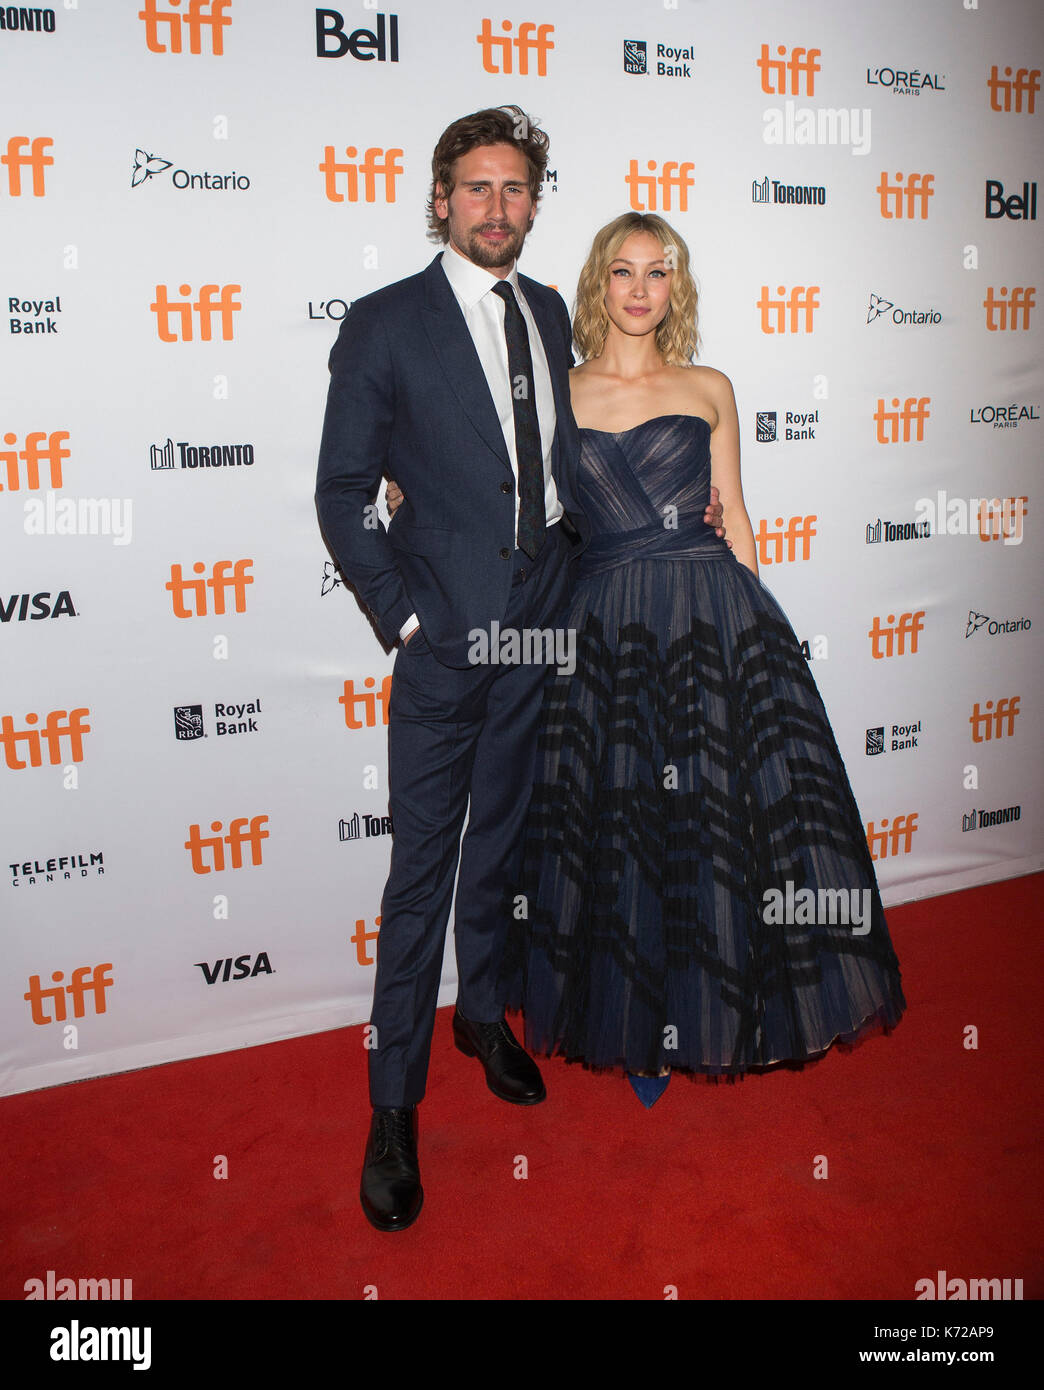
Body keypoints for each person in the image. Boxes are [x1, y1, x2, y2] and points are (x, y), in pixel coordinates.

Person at [316, 110, 729, 1229]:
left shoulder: (551, 312)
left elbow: (572, 481)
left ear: (535, 204)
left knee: (505, 841)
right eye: (477, 188)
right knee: (420, 877)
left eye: (517, 190)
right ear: (440, 199)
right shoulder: (384, 325)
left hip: (546, 631)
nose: (498, 208)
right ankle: (393, 1106)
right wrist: (404, 619)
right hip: (446, 643)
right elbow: (340, 494)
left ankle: (484, 1014)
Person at [497, 212, 907, 1103]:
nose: (640, 289)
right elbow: (510, 496)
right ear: (597, 283)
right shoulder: (556, 394)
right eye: (623, 271)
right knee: (627, 823)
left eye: (659, 272)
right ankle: (639, 1019)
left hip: (714, 609)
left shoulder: (712, 384)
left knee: (724, 826)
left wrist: (764, 637)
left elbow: (740, 516)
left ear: (675, 288)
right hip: (608, 622)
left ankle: (724, 1008)